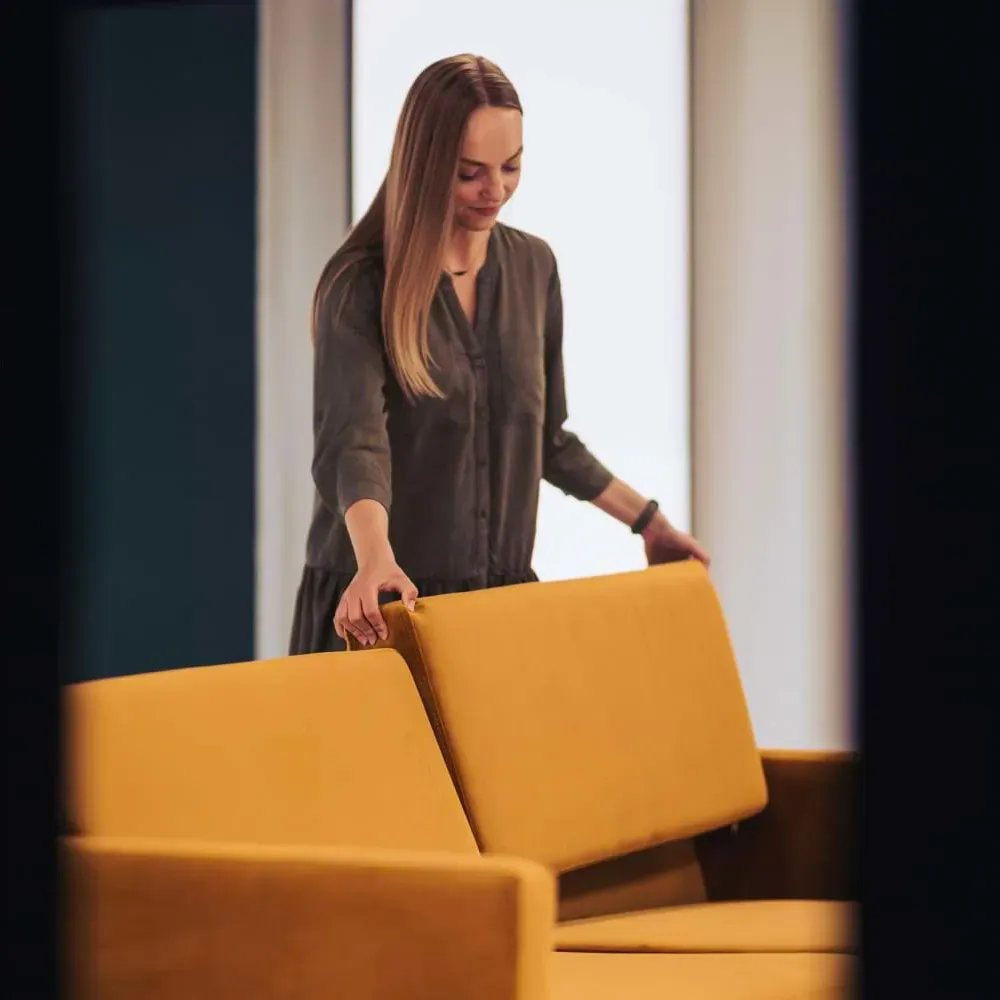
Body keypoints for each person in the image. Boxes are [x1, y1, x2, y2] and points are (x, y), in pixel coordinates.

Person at [290, 54, 709, 654]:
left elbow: (544, 438)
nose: (497, 191)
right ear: (426, 165)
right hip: (381, 609)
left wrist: (649, 522)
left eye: (511, 166)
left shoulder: (533, 267)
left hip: (496, 610)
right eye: (470, 173)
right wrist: (376, 558)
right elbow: (353, 444)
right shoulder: (358, 285)